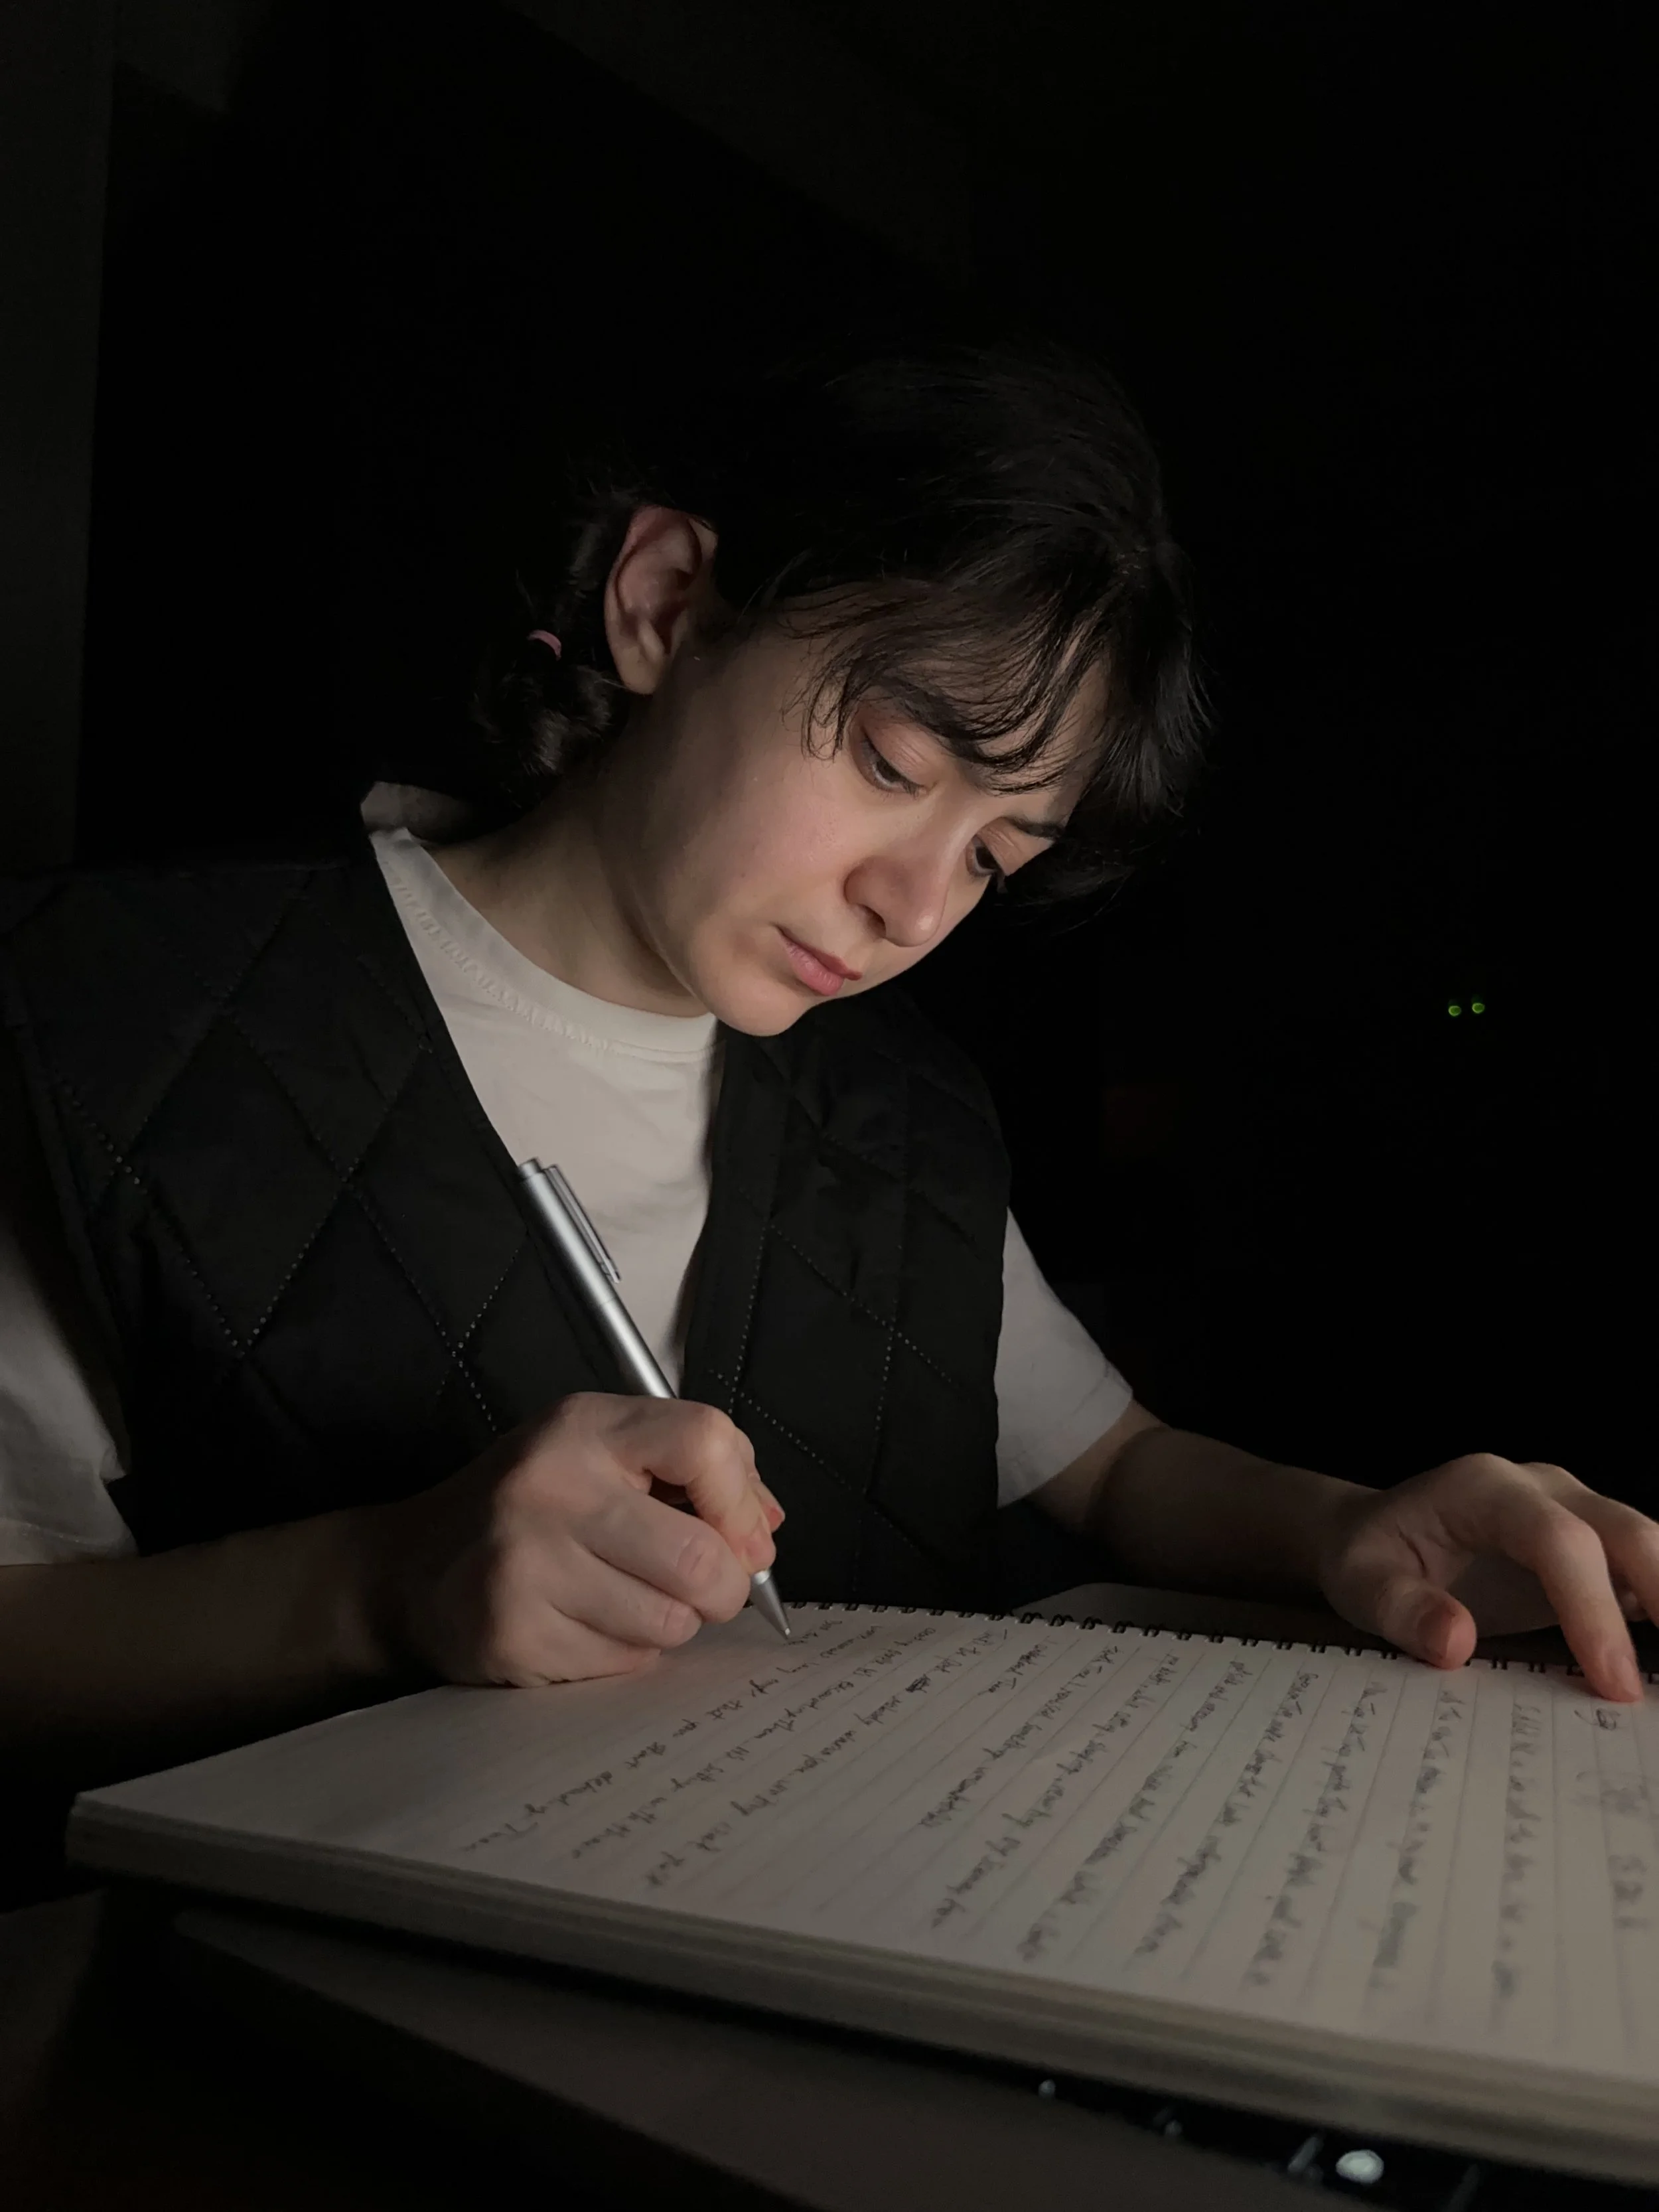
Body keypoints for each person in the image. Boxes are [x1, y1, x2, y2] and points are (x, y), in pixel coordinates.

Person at [2, 340, 1654, 1816]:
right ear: (662, 606)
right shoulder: (118, 1019)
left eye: (997, 855)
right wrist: (374, 1584)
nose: (914, 907)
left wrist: (1344, 1527)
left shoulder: (902, 1109)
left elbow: (1109, 1461)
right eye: (888, 763)